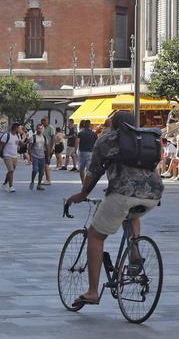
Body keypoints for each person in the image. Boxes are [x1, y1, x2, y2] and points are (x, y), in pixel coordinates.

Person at [64, 110, 164, 309]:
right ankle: (134, 252)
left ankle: (92, 292)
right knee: (132, 213)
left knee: (95, 236)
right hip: (153, 193)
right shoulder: (146, 138)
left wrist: (82, 194)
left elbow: (93, 170)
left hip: (122, 193)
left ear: (113, 124)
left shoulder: (108, 139)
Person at [0, 122, 24, 193]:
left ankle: (4, 183)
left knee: (11, 171)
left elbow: (21, 145)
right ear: (16, 128)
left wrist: (26, 140)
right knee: (11, 171)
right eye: (19, 128)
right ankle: (11, 186)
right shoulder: (6, 135)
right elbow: (0, 146)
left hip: (15, 156)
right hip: (7, 155)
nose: (20, 129)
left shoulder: (18, 136)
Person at [29, 123, 48, 191]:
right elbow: (30, 147)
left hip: (42, 157)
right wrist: (30, 156)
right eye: (38, 128)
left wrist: (47, 156)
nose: (40, 130)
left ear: (43, 129)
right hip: (35, 156)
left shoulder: (44, 137)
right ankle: (32, 181)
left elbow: (46, 147)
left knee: (42, 172)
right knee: (35, 170)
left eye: (41, 128)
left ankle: (39, 185)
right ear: (36, 129)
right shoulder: (33, 137)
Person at [40, 117, 55, 186]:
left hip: (48, 148)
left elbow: (53, 138)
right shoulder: (42, 128)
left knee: (46, 164)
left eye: (44, 120)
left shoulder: (50, 128)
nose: (43, 122)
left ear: (48, 121)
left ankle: (48, 180)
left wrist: (52, 148)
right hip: (42, 148)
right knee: (44, 164)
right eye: (42, 120)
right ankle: (46, 179)